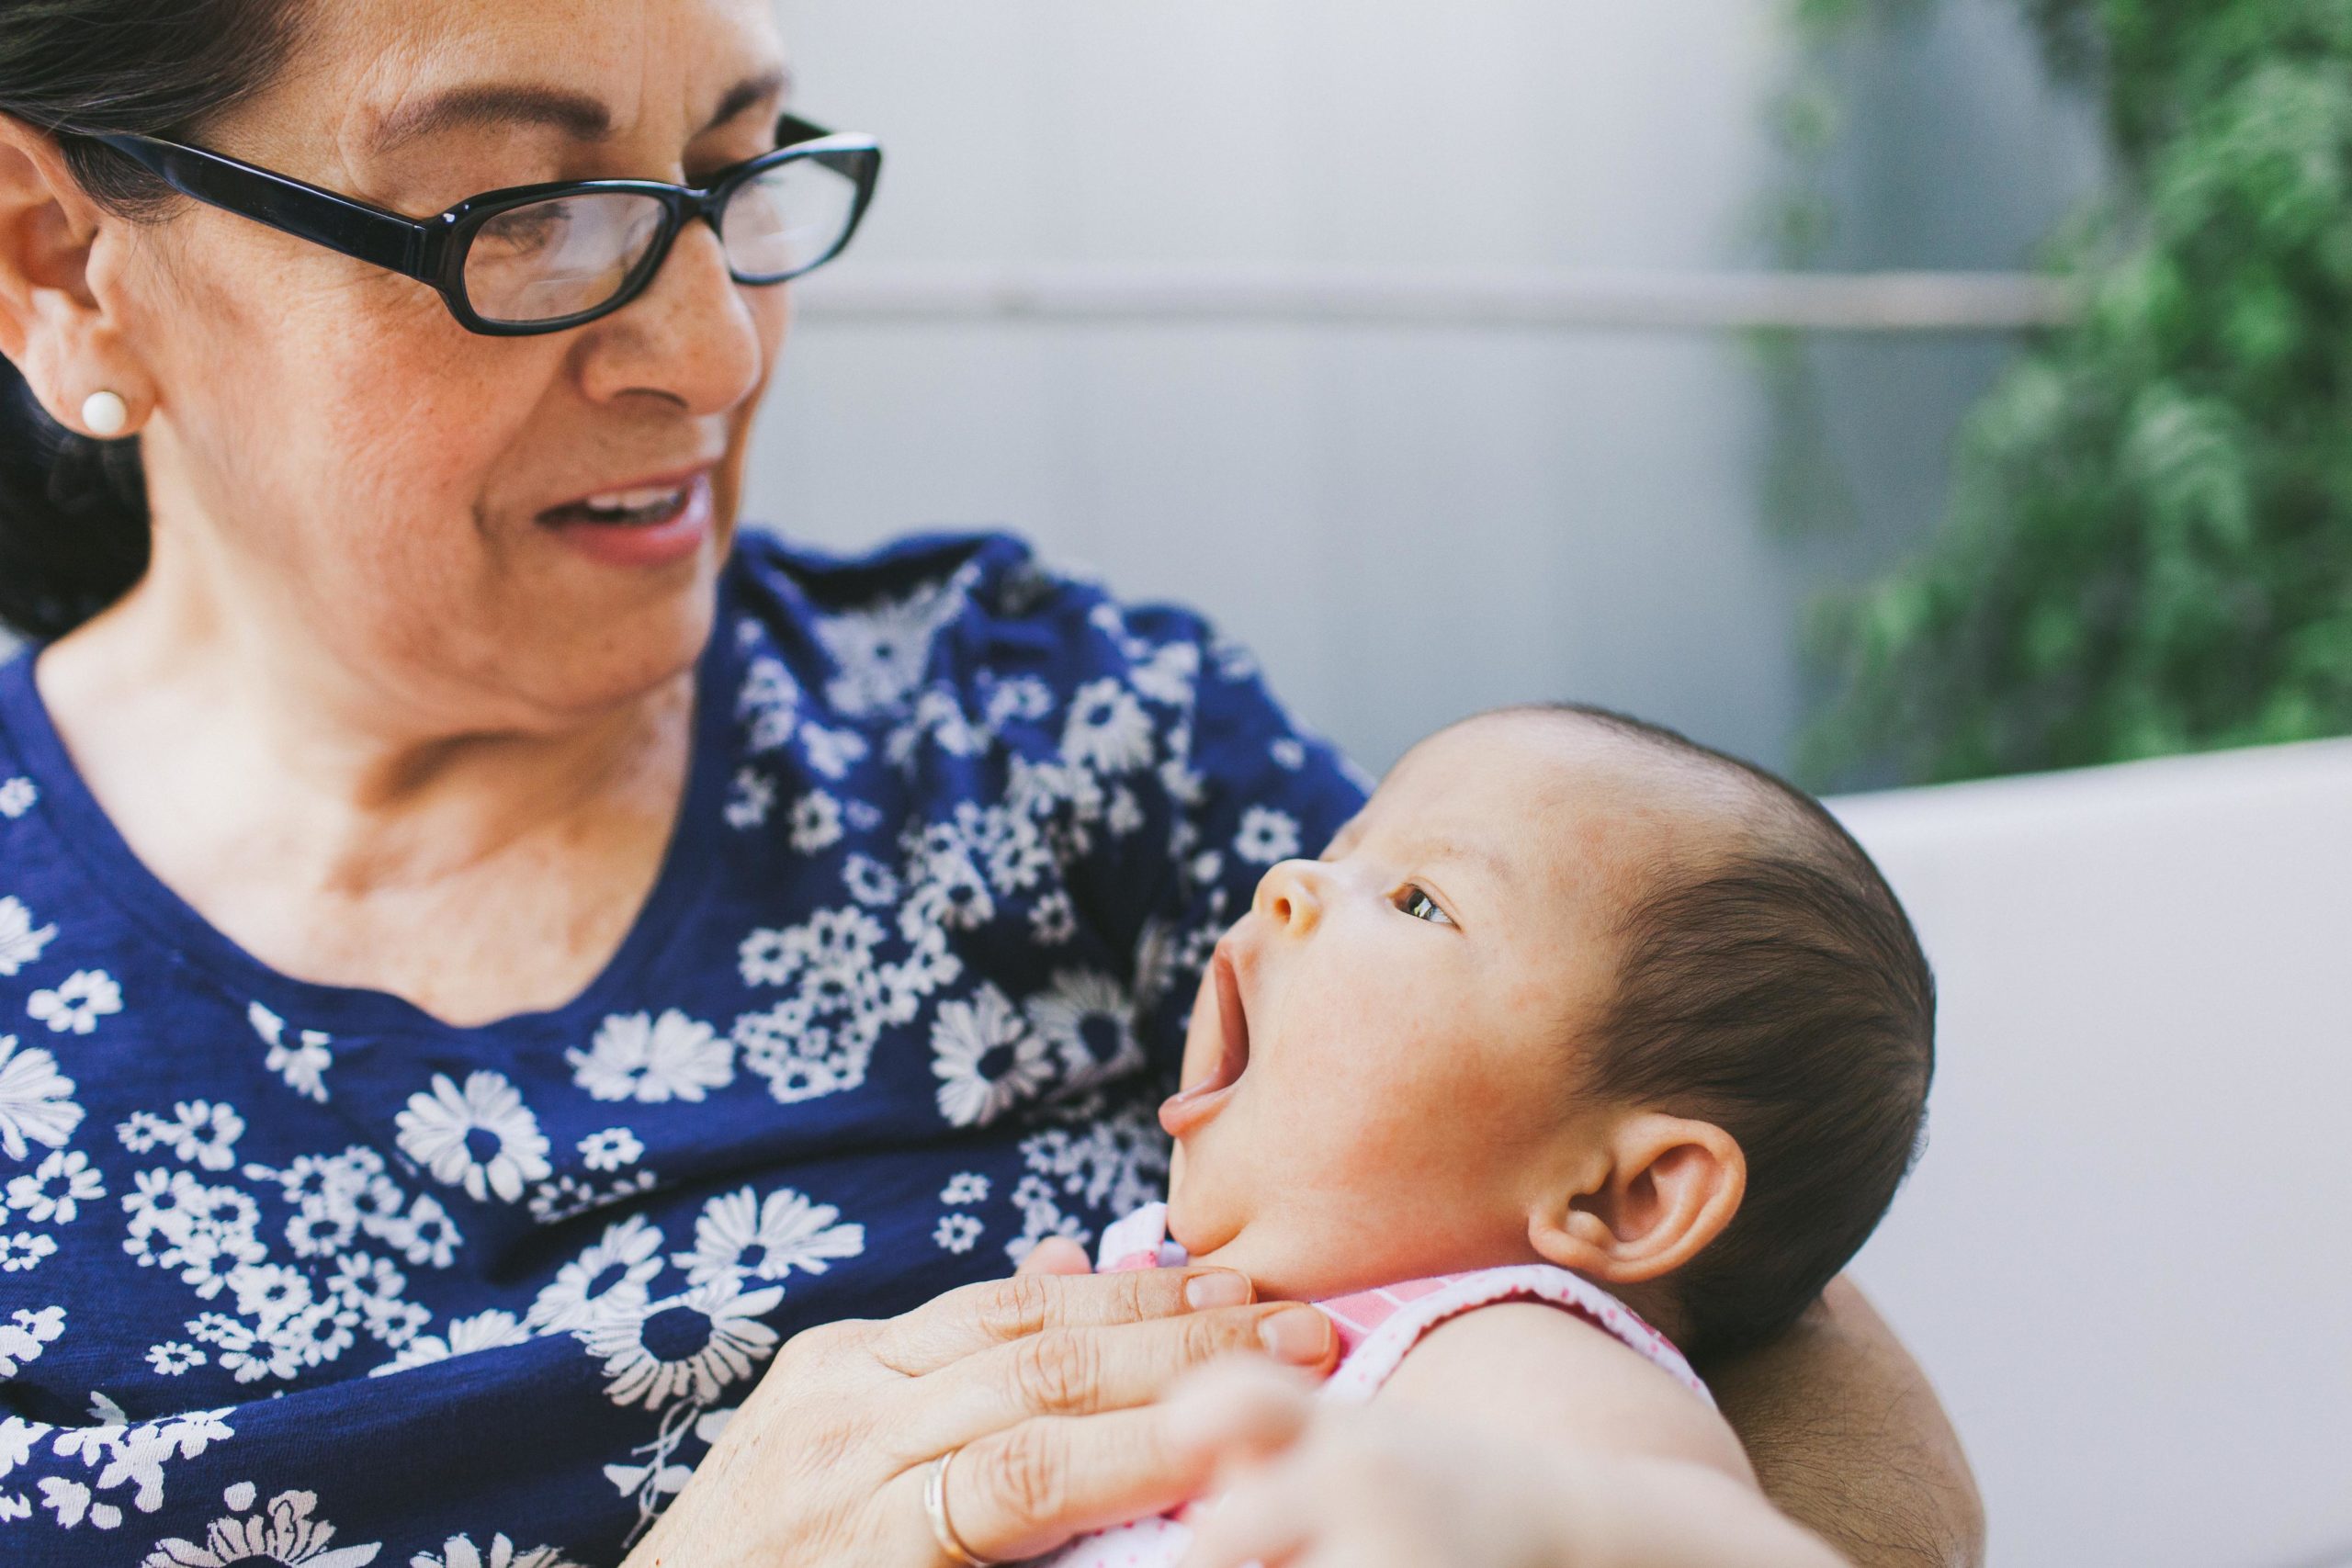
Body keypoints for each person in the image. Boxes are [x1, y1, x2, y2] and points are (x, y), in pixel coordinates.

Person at [0, 3, 1983, 1565]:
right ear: (64, 258)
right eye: (524, 212)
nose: (709, 351)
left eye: (736, 174)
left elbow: (1743, 1328)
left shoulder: (1058, 741)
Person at [1035, 703, 1932, 1568]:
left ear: (1629, 1195)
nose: (1286, 883)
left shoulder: (1500, 1353)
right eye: (1336, 851)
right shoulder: (1143, 1284)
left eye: (1418, 902)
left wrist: (1537, 1523)